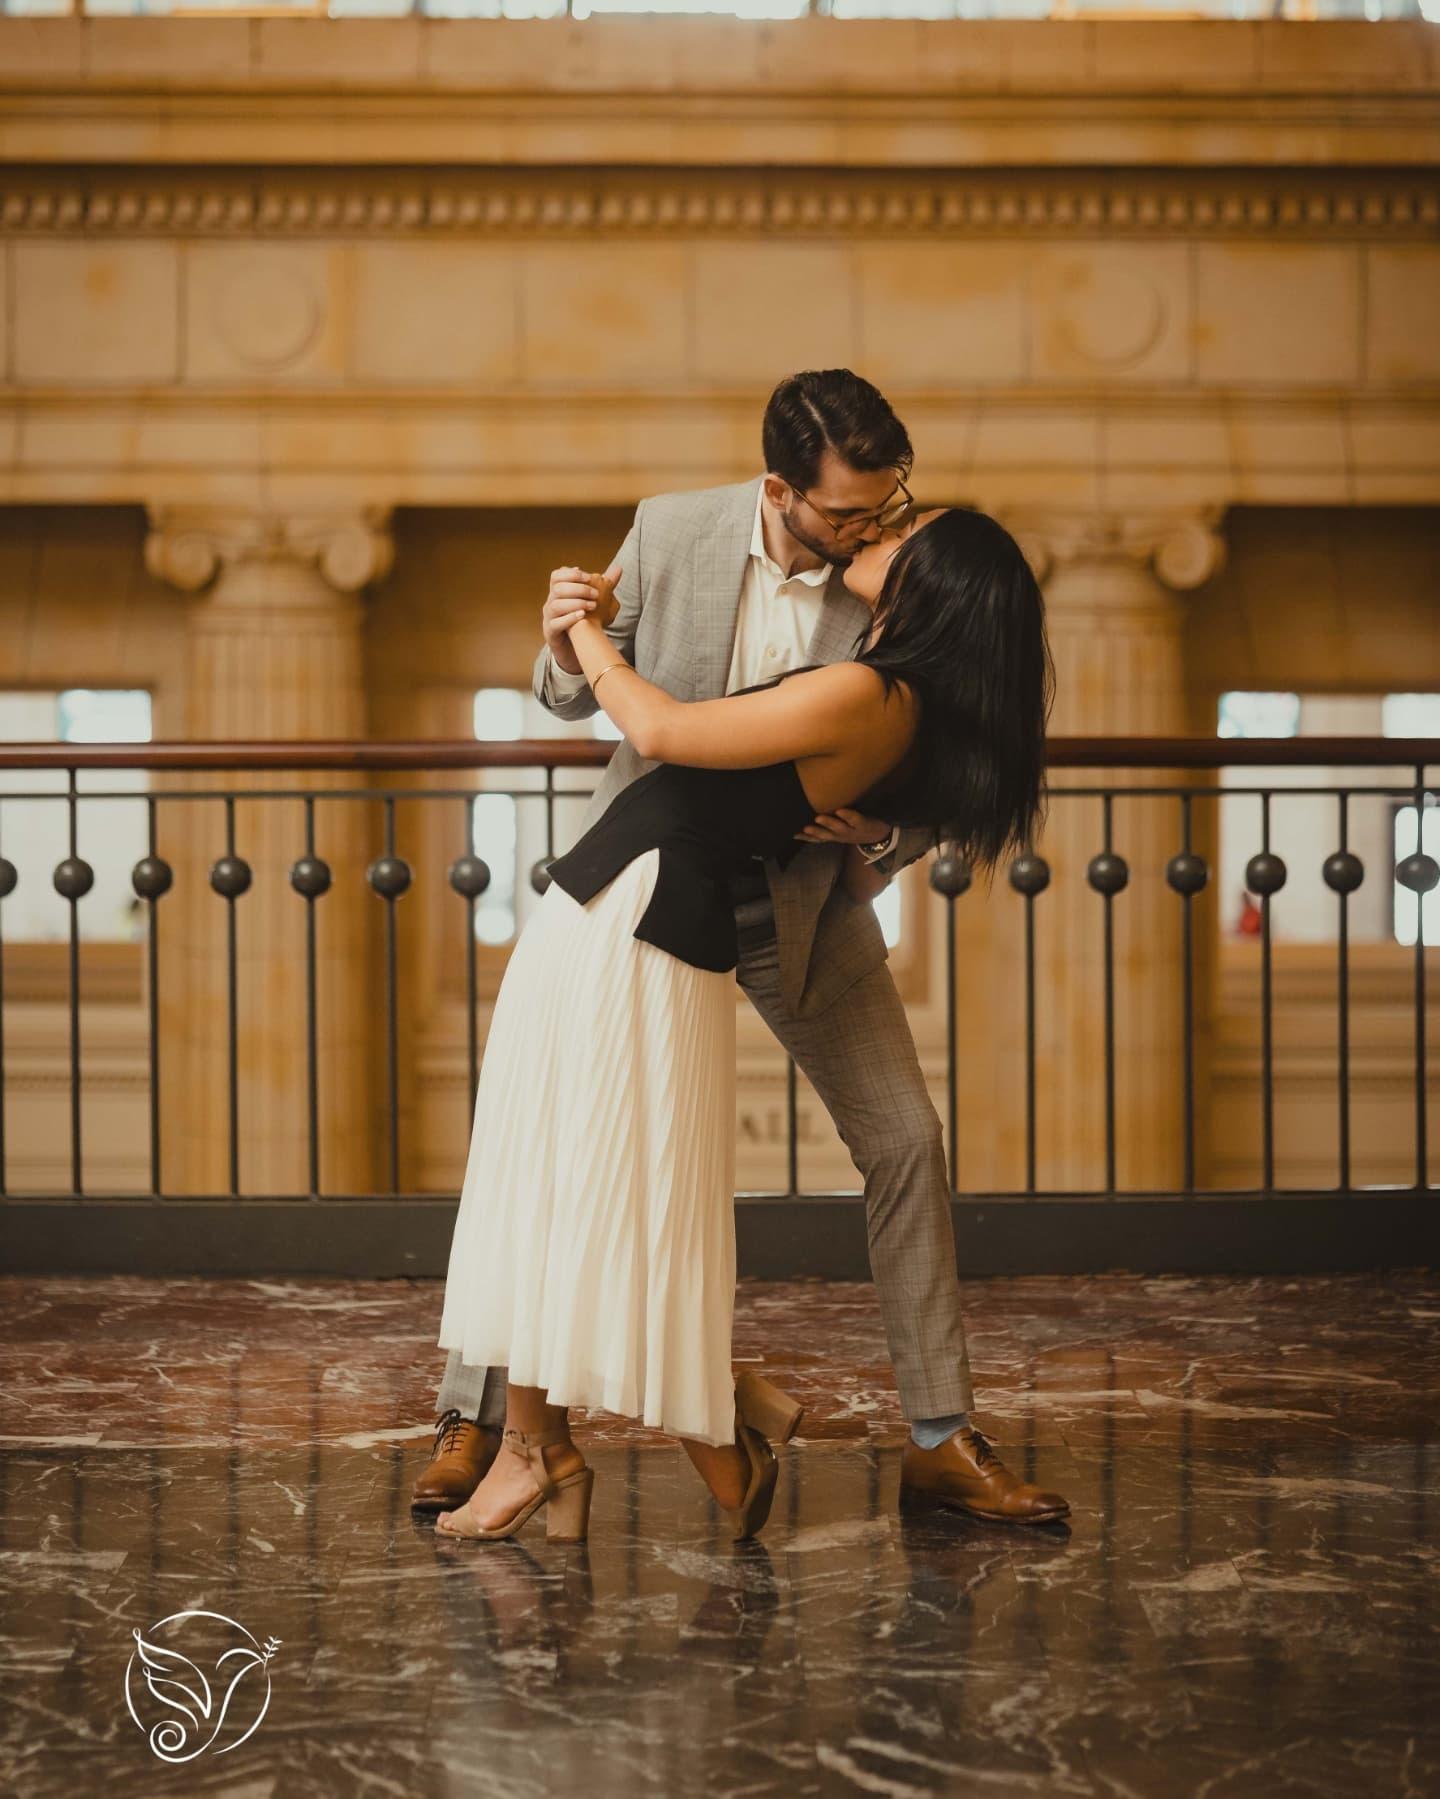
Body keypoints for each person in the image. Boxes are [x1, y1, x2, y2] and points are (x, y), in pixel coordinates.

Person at [417, 369, 1071, 1536]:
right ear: (782, 488)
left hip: (807, 910)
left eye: (888, 509)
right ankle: (479, 1415)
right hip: (652, 891)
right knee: (554, 1143)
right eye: (848, 517)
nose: (871, 531)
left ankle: (939, 1436)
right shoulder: (672, 529)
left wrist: (885, 831)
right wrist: (565, 639)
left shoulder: (904, 594)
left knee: (906, 1139)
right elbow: (566, 696)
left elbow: (941, 727)